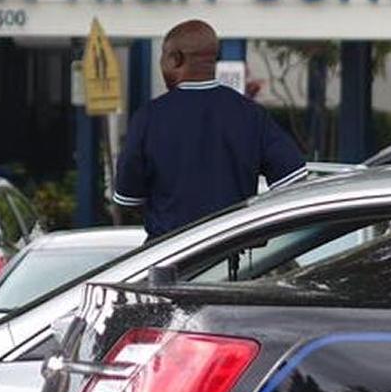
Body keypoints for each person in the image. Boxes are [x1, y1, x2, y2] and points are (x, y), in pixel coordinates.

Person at [114, 20, 306, 240]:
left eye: (163, 57)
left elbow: (127, 198)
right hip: (234, 255)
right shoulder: (251, 114)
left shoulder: (149, 118)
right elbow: (293, 178)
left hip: (169, 257)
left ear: (176, 59)